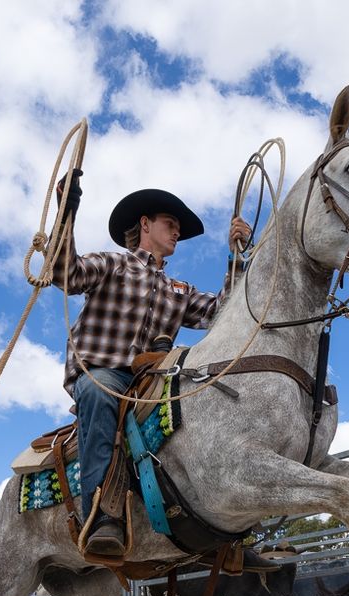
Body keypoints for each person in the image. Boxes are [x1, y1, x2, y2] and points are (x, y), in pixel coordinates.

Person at [52, 172, 251, 557]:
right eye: (170, 224)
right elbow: (67, 274)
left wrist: (236, 255)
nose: (177, 232)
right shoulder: (115, 264)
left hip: (154, 378)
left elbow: (221, 312)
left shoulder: (179, 289)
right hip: (104, 371)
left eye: (178, 227)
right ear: (145, 225)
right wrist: (67, 211)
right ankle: (100, 514)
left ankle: (227, 527)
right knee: (97, 393)